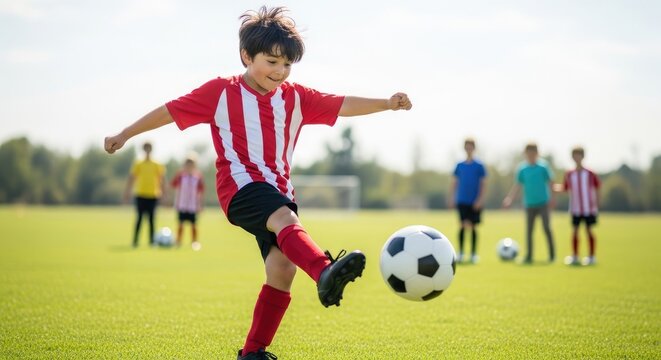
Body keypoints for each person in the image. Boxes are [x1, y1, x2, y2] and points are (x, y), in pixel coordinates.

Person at [104, 6, 412, 359]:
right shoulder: (221, 91)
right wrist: (125, 133)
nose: (279, 72)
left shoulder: (296, 97)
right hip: (239, 187)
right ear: (246, 56)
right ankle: (324, 271)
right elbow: (169, 111)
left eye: (286, 65)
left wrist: (387, 103)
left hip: (278, 189)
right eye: (271, 62)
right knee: (285, 220)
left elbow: (342, 104)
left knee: (282, 268)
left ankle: (253, 352)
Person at [503, 143, 556, 263]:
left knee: (547, 228)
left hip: (543, 202)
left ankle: (552, 256)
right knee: (529, 231)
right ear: (525, 154)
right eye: (528, 153)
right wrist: (510, 198)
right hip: (529, 203)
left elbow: (551, 183)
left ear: (537, 153)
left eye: (533, 153)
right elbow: (517, 185)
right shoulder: (522, 169)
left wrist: (553, 198)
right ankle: (529, 256)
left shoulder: (543, 167)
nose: (531, 155)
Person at [554, 146, 601, 266]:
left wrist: (597, 204)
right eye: (575, 155)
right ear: (572, 157)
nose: (577, 157)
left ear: (583, 156)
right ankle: (575, 255)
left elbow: (598, 187)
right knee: (575, 231)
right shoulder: (569, 174)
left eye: (579, 155)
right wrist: (553, 188)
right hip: (575, 208)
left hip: (588, 208)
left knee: (589, 230)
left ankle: (591, 256)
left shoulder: (590, 173)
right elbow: (565, 188)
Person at [447, 138, 487, 264]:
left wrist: (480, 200)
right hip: (462, 200)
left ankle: (473, 254)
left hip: (474, 201)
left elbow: (483, 184)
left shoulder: (479, 166)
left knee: (473, 227)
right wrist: (452, 197)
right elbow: (454, 183)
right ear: (464, 148)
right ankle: (461, 253)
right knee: (463, 225)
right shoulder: (459, 166)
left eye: (471, 147)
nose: (468, 149)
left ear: (474, 148)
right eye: (467, 147)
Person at [124, 142, 166, 247]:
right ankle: (135, 241)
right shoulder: (138, 163)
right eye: (146, 148)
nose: (147, 150)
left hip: (153, 195)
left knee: (152, 220)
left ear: (151, 149)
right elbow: (132, 178)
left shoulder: (157, 164)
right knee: (139, 218)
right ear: (143, 150)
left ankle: (152, 242)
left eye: (149, 148)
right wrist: (127, 191)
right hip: (140, 194)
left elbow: (161, 179)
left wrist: (165, 194)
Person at [171, 155, 205, 250]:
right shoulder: (181, 176)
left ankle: (195, 242)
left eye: (191, 165)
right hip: (182, 204)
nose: (189, 167)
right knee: (180, 223)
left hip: (193, 205)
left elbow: (201, 191)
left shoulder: (198, 177)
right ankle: (178, 241)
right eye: (187, 165)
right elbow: (174, 186)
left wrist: (200, 205)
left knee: (194, 224)